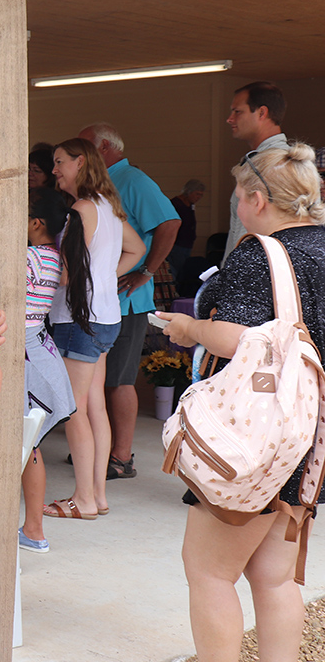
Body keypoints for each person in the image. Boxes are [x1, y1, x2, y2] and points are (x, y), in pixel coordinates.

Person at [157, 143, 325, 662]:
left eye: (236, 195)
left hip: (256, 439)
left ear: (256, 198)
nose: (234, 206)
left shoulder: (262, 253)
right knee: (275, 579)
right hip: (309, 439)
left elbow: (238, 337)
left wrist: (189, 327)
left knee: (209, 572)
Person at [43, 138, 145, 521]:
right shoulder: (109, 207)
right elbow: (135, 251)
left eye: (60, 162)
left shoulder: (81, 209)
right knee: (94, 406)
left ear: (80, 162)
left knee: (74, 411)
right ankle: (97, 495)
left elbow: (68, 273)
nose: (55, 170)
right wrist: (104, 277)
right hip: (106, 316)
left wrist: (37, 277)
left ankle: (83, 498)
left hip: (78, 320)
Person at [79, 123, 180, 481]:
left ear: (105, 147)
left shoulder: (132, 179)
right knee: (96, 381)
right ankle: (99, 451)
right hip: (102, 301)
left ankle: (121, 457)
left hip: (127, 300)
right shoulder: (98, 185)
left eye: (85, 146)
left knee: (119, 381)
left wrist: (146, 271)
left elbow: (170, 222)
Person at [19, 186, 83, 554]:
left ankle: (34, 530)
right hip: (41, 351)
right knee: (31, 446)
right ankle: (34, 529)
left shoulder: (28, 259)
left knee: (26, 447)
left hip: (24, 358)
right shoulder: (54, 256)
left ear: (36, 222)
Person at [224, 82, 289, 264]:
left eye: (238, 111)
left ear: (262, 113)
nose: (230, 119)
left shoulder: (274, 165)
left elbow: (252, 236)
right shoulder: (262, 162)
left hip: (258, 281)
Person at [168, 179, 206, 278]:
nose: (199, 197)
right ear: (188, 192)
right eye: (197, 194)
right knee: (176, 271)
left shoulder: (190, 205)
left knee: (183, 271)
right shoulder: (175, 204)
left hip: (187, 245)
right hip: (176, 245)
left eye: (201, 195)